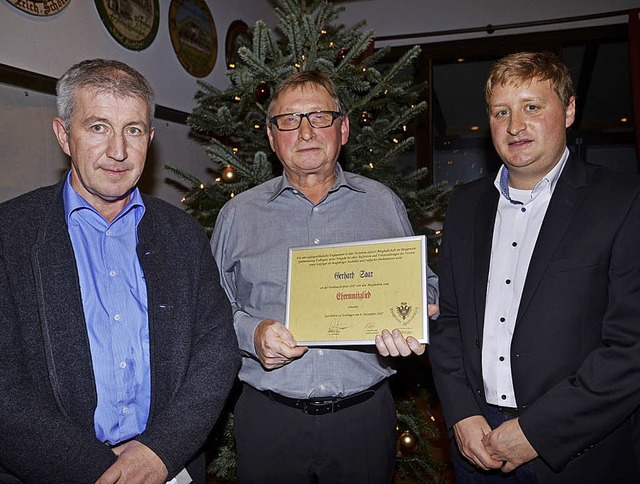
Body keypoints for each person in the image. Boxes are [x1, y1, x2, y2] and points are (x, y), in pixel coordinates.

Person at [0, 59, 240, 484]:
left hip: (170, 467)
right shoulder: (10, 235)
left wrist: (159, 452)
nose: (118, 151)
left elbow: (216, 351)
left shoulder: (182, 234)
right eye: (98, 127)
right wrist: (104, 472)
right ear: (63, 135)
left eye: (132, 130)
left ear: (149, 138)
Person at [211, 70, 439, 483]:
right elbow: (210, 310)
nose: (305, 132)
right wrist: (252, 332)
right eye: (288, 120)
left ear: (343, 128)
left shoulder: (382, 204)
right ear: (271, 136)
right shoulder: (238, 215)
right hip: (268, 418)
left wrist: (419, 310)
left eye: (319, 117)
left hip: (362, 420)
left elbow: (424, 283)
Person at [428, 51, 640, 483]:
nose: (514, 126)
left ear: (569, 110)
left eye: (532, 107)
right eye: (501, 111)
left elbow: (631, 348)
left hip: (579, 452)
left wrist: (536, 432)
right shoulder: (465, 205)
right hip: (477, 446)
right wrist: (462, 414)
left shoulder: (622, 201)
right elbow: (448, 321)